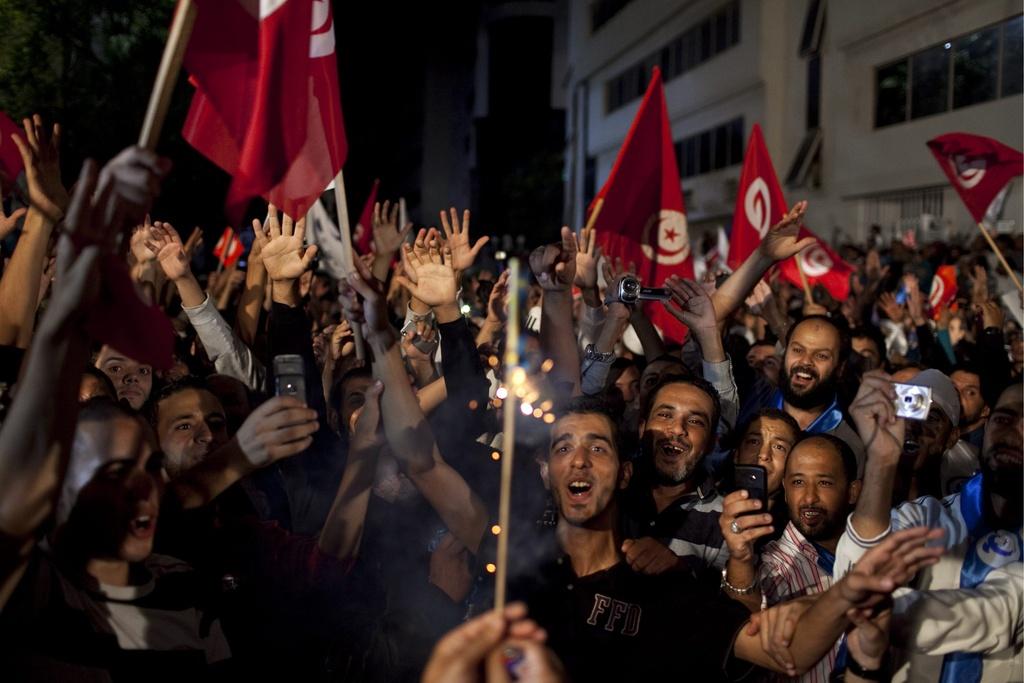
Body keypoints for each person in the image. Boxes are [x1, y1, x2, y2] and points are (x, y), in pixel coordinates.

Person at [513, 397, 944, 682]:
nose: (580, 461)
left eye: (598, 449)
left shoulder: (665, 590)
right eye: (563, 448)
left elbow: (782, 651)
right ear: (546, 470)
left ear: (625, 472)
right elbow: (442, 473)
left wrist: (847, 592)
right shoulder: (511, 557)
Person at [838, 375, 1024, 682]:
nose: (1014, 433)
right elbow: (860, 568)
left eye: (934, 417)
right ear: (987, 427)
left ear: (955, 436)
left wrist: (847, 609)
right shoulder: (926, 516)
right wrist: (881, 461)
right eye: (1004, 418)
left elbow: (996, 613)